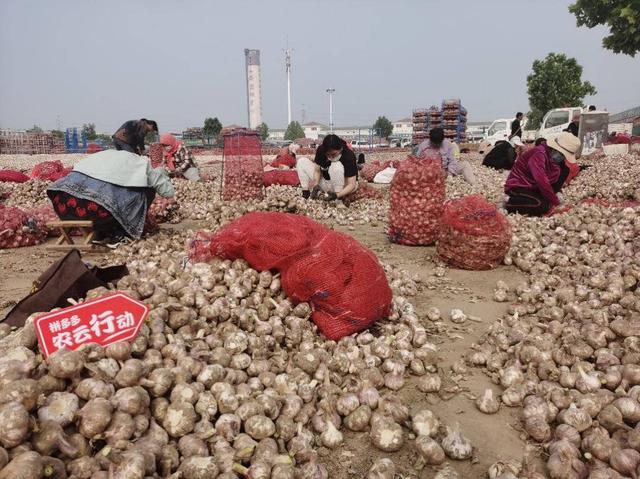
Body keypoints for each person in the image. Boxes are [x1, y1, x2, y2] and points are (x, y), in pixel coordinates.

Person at [47, 150, 174, 248]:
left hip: (63, 204)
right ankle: (120, 235)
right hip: (96, 211)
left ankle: (100, 234)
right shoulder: (141, 163)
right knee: (147, 190)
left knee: (107, 191)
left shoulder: (101, 156)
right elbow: (168, 192)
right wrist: (161, 173)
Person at [504, 132, 580, 217]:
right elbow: (541, 180)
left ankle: (546, 199)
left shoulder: (553, 158)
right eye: (561, 154)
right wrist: (555, 202)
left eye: (564, 155)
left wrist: (552, 198)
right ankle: (510, 202)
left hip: (534, 187)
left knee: (565, 169)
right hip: (520, 185)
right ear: (554, 148)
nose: (562, 157)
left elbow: (553, 179)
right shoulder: (539, 153)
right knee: (541, 205)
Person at [296, 134, 358, 200]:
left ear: (341, 149)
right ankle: (306, 192)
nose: (330, 157)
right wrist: (315, 185)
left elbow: (352, 184)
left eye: (333, 154)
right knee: (302, 161)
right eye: (328, 154)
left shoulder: (349, 155)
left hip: (344, 185)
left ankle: (338, 197)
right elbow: (317, 171)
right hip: (327, 182)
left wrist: (337, 195)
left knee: (336, 165)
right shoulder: (321, 150)